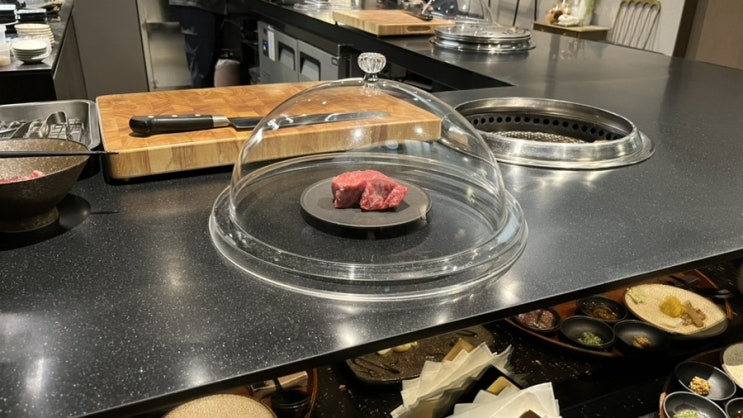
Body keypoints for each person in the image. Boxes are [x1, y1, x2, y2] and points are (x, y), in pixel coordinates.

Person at [169, 0, 227, 88]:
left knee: (208, 67)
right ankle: (201, 96)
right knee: (200, 68)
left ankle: (207, 95)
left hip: (212, 7)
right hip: (196, 5)